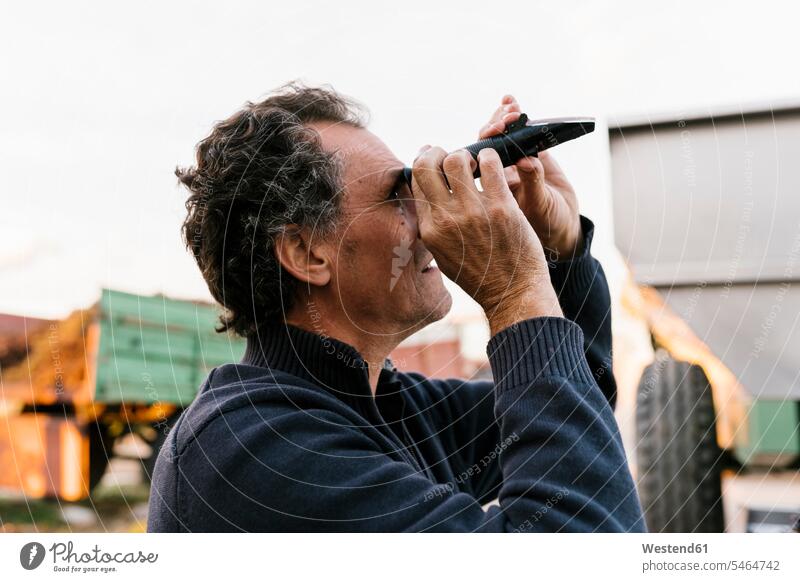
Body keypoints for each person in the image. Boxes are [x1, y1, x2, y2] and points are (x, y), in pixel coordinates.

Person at [147, 83, 646, 532]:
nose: (430, 215)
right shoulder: (254, 451)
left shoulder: (385, 406)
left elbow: (583, 403)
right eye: (398, 194)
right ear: (305, 253)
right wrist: (514, 293)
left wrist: (560, 249)